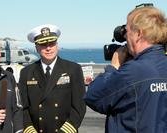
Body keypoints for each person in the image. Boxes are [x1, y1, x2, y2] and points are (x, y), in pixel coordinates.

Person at [84, 5, 167, 133]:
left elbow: (93, 97)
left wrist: (114, 66)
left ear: (138, 33)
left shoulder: (134, 71)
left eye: (127, 31)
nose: (125, 37)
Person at [19, 24, 86, 133]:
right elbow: (23, 108)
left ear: (57, 45)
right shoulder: (26, 72)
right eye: (43, 44)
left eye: (52, 43)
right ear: (36, 48)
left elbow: (79, 107)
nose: (48, 48)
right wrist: (29, 130)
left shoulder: (73, 69)